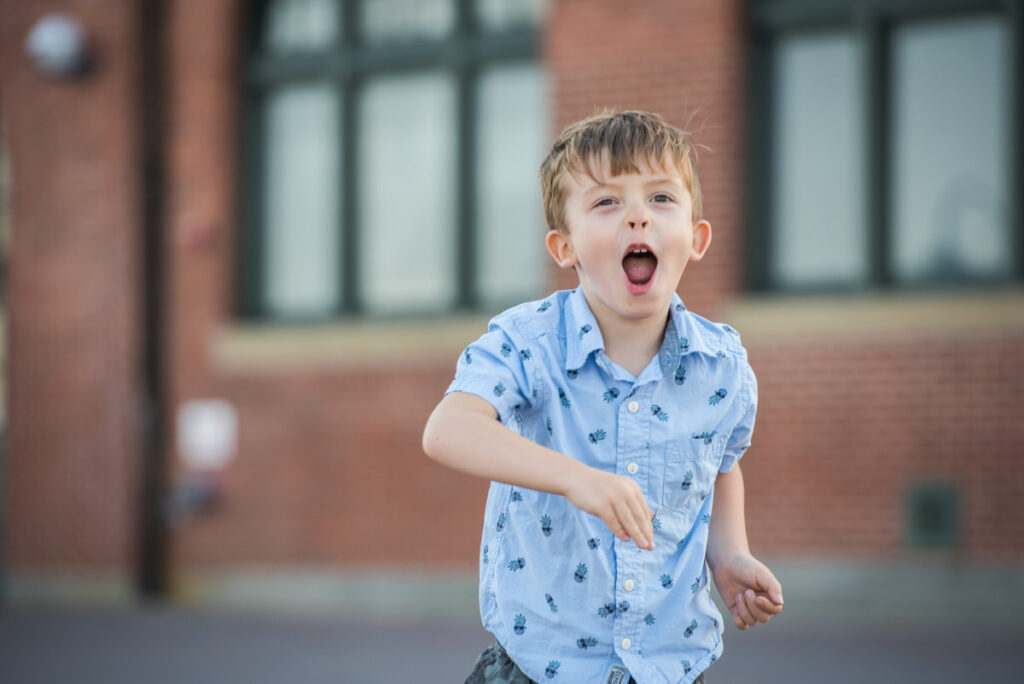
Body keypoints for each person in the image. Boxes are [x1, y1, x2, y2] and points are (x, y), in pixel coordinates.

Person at [422, 110, 782, 684]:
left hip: (668, 668)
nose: (637, 214)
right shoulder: (528, 344)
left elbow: (719, 466)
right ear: (564, 247)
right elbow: (447, 430)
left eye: (661, 198)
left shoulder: (723, 367)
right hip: (537, 668)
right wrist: (576, 477)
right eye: (607, 203)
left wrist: (729, 555)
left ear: (696, 238)